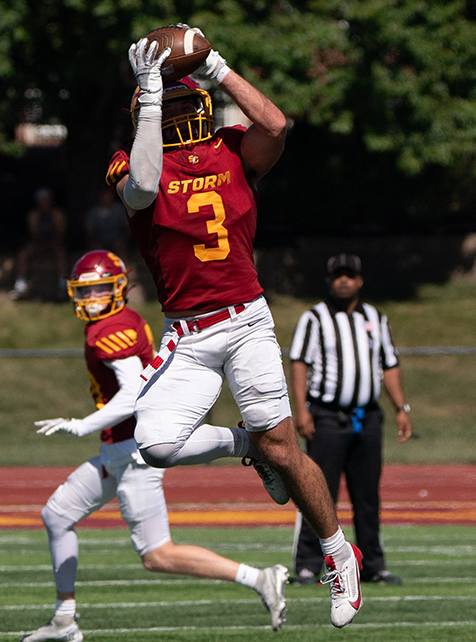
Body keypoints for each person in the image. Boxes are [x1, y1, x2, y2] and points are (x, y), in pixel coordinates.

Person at [104, 26, 363, 628]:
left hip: (245, 320)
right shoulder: (131, 161)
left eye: (158, 102)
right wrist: (147, 98)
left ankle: (337, 552)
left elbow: (277, 125)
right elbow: (142, 191)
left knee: (287, 448)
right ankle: (247, 445)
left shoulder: (230, 149)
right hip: (188, 335)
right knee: (157, 444)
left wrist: (218, 66)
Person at [20, 250, 289, 642]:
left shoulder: (109, 329)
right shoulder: (115, 322)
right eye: (85, 291)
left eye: (98, 289)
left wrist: (82, 426)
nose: (90, 298)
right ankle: (64, 620)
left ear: (117, 289)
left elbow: (131, 394)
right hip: (117, 453)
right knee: (57, 516)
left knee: (157, 555)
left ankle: (260, 578)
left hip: (133, 456)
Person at [289, 253, 412, 586]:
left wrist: (401, 407)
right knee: (317, 493)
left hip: (367, 419)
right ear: (330, 280)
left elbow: (389, 365)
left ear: (360, 280)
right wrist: (301, 410)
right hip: (327, 417)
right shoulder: (314, 318)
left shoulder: (375, 317)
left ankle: (373, 564)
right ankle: (307, 564)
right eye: (338, 275)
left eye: (350, 275)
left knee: (367, 495)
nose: (344, 280)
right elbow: (299, 363)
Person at [11, 187, 68, 299]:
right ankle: (20, 285)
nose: (44, 203)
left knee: (61, 253)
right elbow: (34, 234)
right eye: (42, 200)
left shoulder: (57, 214)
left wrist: (52, 245)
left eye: (46, 200)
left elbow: (60, 233)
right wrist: (41, 246)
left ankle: (63, 285)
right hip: (38, 243)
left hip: (54, 243)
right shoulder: (33, 215)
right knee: (23, 254)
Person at [83, 188, 129, 255]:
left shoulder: (119, 209)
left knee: (120, 249)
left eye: (108, 195)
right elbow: (89, 231)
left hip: (117, 240)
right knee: (94, 250)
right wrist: (92, 243)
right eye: (104, 195)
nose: (106, 197)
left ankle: (124, 265)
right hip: (100, 241)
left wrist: (123, 241)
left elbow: (127, 227)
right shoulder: (93, 211)